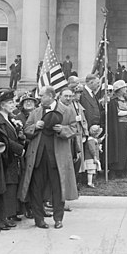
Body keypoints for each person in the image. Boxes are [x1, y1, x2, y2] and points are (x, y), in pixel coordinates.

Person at [20, 86, 80, 229]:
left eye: (42, 96)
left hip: (57, 158)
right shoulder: (36, 112)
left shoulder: (67, 111)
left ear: (51, 96)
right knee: (36, 188)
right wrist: (35, 126)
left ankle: (58, 218)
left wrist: (63, 130)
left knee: (58, 187)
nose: (39, 98)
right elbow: (26, 129)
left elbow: (75, 129)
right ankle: (38, 219)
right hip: (38, 157)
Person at [0, 90, 26, 229]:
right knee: (3, 189)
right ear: (2, 105)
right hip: (4, 159)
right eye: (10, 103)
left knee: (9, 188)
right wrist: (19, 149)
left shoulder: (8, 120)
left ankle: (4, 217)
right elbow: (5, 140)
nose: (13, 105)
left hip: (10, 160)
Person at [105, 80, 127, 178]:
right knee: (117, 147)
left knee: (125, 147)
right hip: (117, 127)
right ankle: (114, 169)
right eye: (124, 88)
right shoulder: (114, 102)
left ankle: (123, 168)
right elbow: (117, 113)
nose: (126, 89)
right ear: (119, 89)